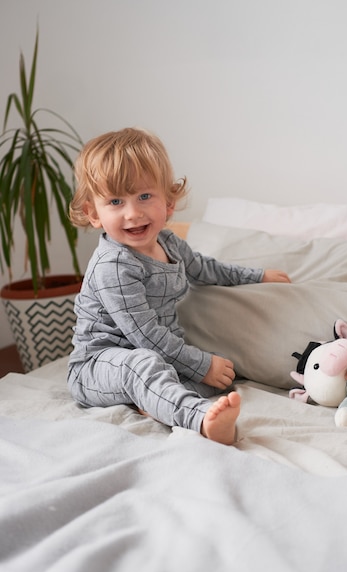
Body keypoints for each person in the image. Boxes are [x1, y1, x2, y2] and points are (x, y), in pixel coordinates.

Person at [68, 127, 291, 445]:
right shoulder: (113, 266)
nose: (133, 213)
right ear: (93, 214)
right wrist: (201, 364)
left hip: (156, 356)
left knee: (218, 375)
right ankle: (200, 419)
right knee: (147, 364)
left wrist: (257, 277)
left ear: (168, 203)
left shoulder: (169, 242)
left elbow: (206, 269)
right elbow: (144, 336)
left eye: (144, 196)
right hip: (98, 364)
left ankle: (153, 402)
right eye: (116, 201)